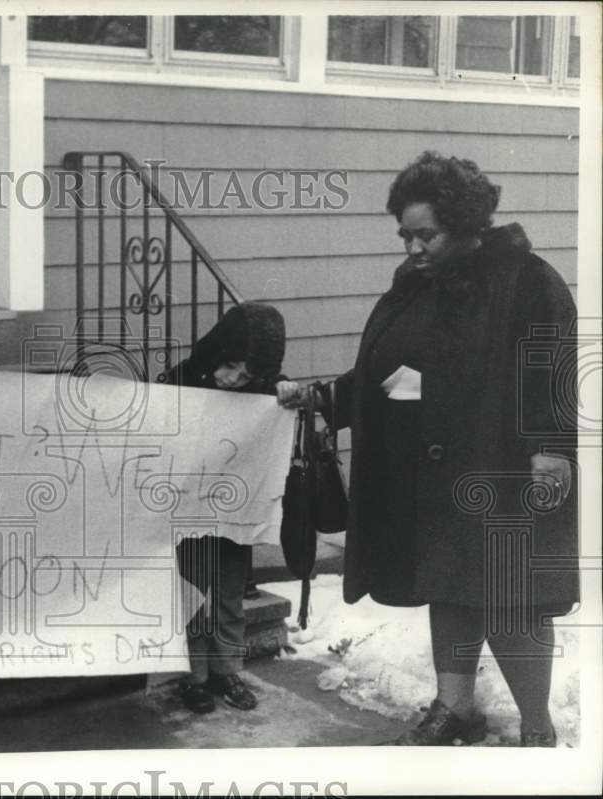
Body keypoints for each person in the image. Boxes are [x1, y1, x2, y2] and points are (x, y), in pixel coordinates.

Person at [314, 152, 578, 745]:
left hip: (506, 469)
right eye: (405, 234)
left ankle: (538, 726)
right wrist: (326, 398)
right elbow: (386, 367)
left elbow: (553, 369)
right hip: (435, 473)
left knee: (515, 601)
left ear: (465, 225)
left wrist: (551, 450)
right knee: (449, 587)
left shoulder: (527, 279)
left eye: (425, 234)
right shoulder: (417, 288)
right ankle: (454, 708)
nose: (412, 247)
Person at [161, 301, 302, 713]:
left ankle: (226, 670)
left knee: (228, 593)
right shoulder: (181, 380)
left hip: (234, 512)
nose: (236, 380)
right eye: (231, 367)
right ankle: (194, 676)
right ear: (218, 352)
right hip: (186, 510)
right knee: (191, 592)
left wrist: (284, 389)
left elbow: (279, 400)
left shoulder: (258, 391)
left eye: (248, 374)